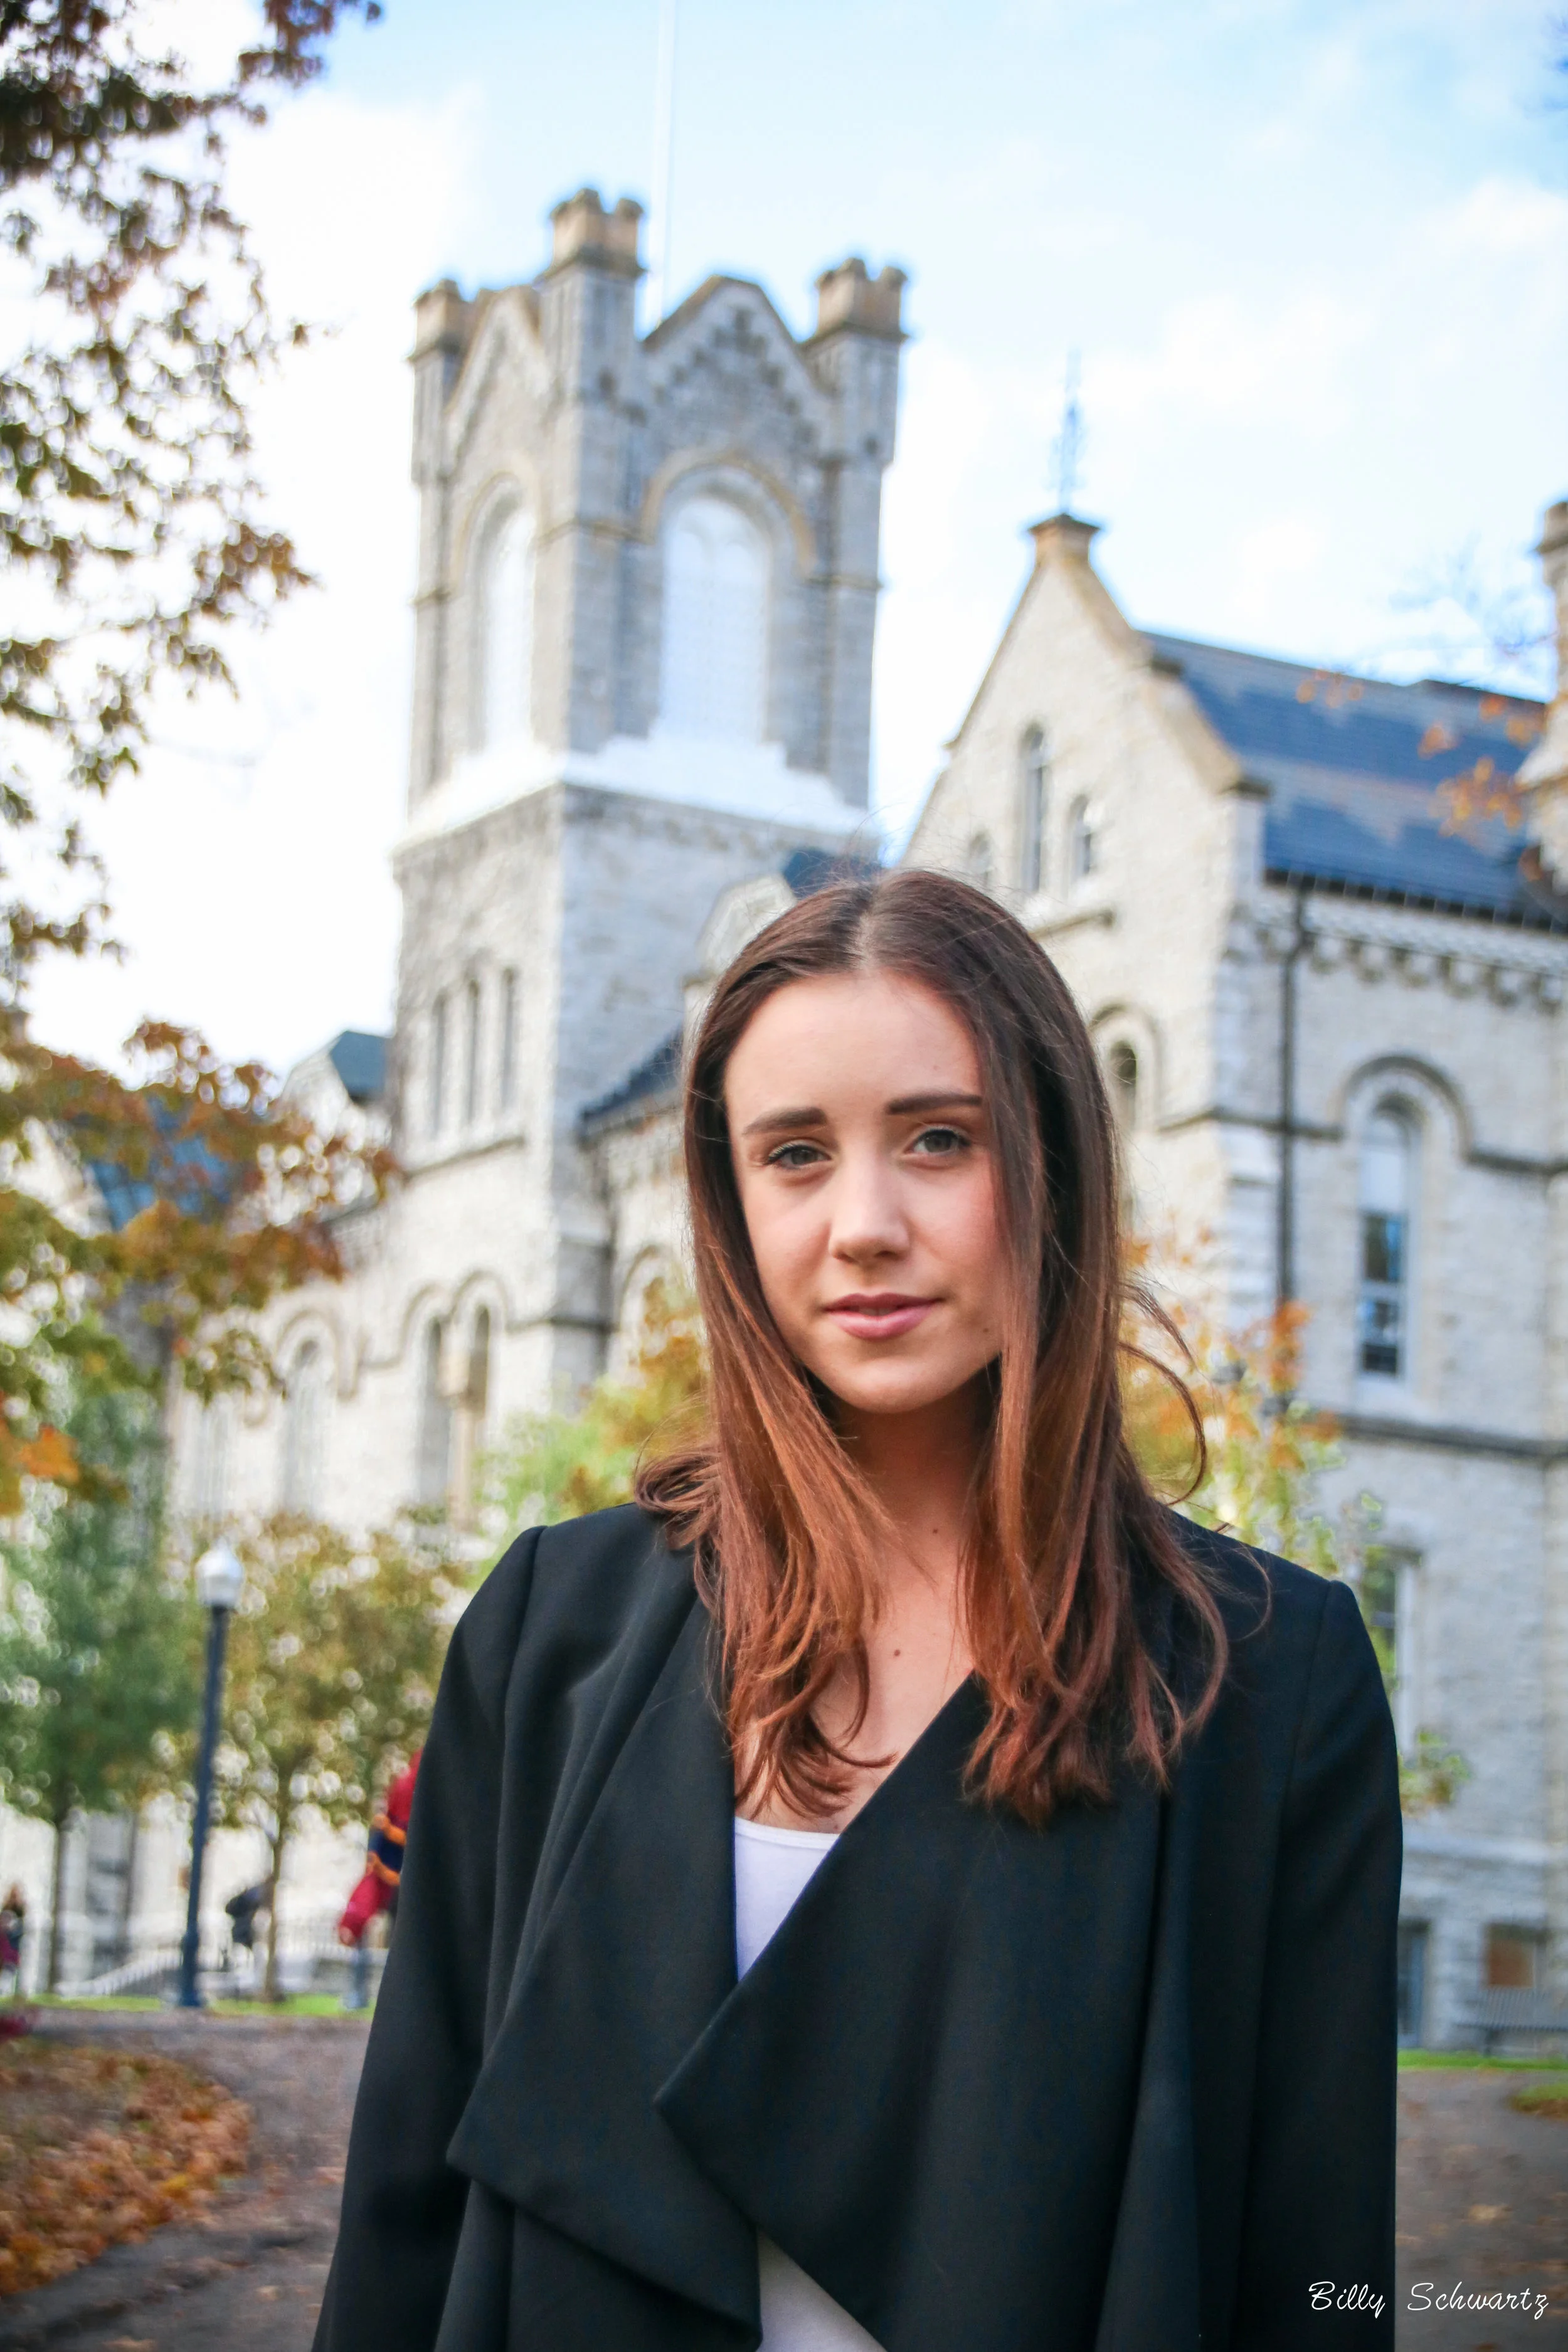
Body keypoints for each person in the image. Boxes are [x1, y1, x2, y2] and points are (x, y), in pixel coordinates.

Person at [314, 871, 1401, 2352]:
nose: (865, 1224)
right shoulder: (551, 1632)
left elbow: (1316, 2273)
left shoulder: (1266, 1677)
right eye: (795, 1154)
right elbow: (402, 2221)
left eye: (938, 1139)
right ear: (731, 1198)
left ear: (1052, 1163)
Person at [337, 1754, 421, 2011]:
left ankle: (386, 1998)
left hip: (399, 1880)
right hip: (402, 1881)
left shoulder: (405, 1784)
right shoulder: (410, 1786)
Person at [0, 1884, 26, 1996]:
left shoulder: (20, 1909)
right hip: (5, 1951)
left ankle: (6, 1992)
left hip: (12, 1951)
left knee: (9, 1972)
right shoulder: (7, 1907)